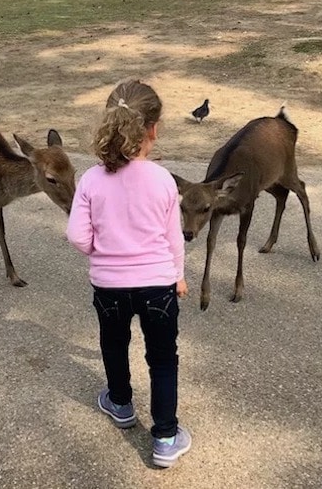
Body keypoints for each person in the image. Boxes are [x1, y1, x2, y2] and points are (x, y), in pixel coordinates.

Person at [66, 80, 192, 469]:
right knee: (163, 358)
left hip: (109, 286)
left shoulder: (90, 179)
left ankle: (120, 404)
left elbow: (76, 236)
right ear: (153, 129)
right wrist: (178, 276)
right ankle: (166, 437)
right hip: (158, 285)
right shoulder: (163, 180)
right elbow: (174, 239)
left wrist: (100, 251)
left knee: (114, 342)